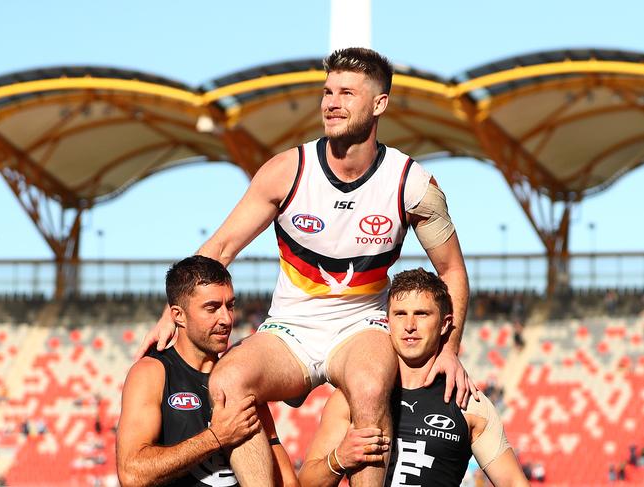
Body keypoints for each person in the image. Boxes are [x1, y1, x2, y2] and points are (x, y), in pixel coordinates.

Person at [138, 47, 473, 486]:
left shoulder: (412, 185)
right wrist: (170, 313)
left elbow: (451, 272)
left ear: (379, 104)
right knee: (228, 378)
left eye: (347, 93)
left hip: (360, 326)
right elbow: (220, 246)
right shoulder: (286, 172)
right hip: (290, 330)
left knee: (371, 387)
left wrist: (450, 349)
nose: (332, 102)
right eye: (327, 92)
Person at [298, 269, 529, 486]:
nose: (409, 326)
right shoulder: (352, 396)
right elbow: (306, 481)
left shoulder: (469, 404)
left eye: (422, 314)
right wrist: (339, 459)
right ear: (387, 321)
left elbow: (514, 482)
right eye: (400, 314)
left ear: (444, 324)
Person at [117, 256, 298, 487]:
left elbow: (287, 480)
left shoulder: (241, 377)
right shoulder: (152, 372)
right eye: (212, 308)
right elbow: (132, 475)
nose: (226, 318)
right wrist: (216, 437)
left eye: (230, 306)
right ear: (178, 315)